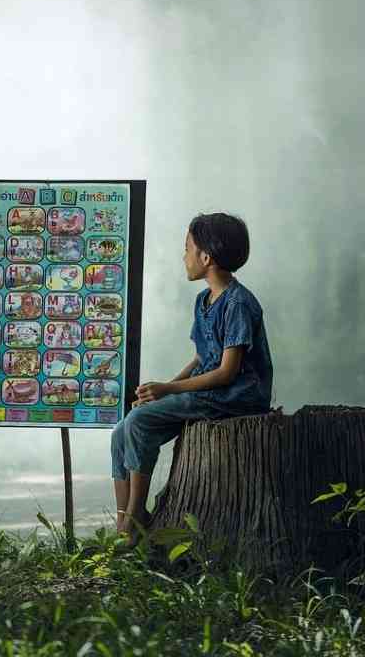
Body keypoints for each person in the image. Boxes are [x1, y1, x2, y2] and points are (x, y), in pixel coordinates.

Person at [110, 213, 273, 544]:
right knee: (121, 430)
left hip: (235, 396)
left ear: (206, 257)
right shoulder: (204, 300)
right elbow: (202, 356)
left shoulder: (238, 302)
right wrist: (160, 390)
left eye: (187, 248)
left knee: (140, 422)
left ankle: (133, 524)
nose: (183, 257)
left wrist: (168, 389)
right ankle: (125, 519)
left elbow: (227, 372)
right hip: (209, 391)